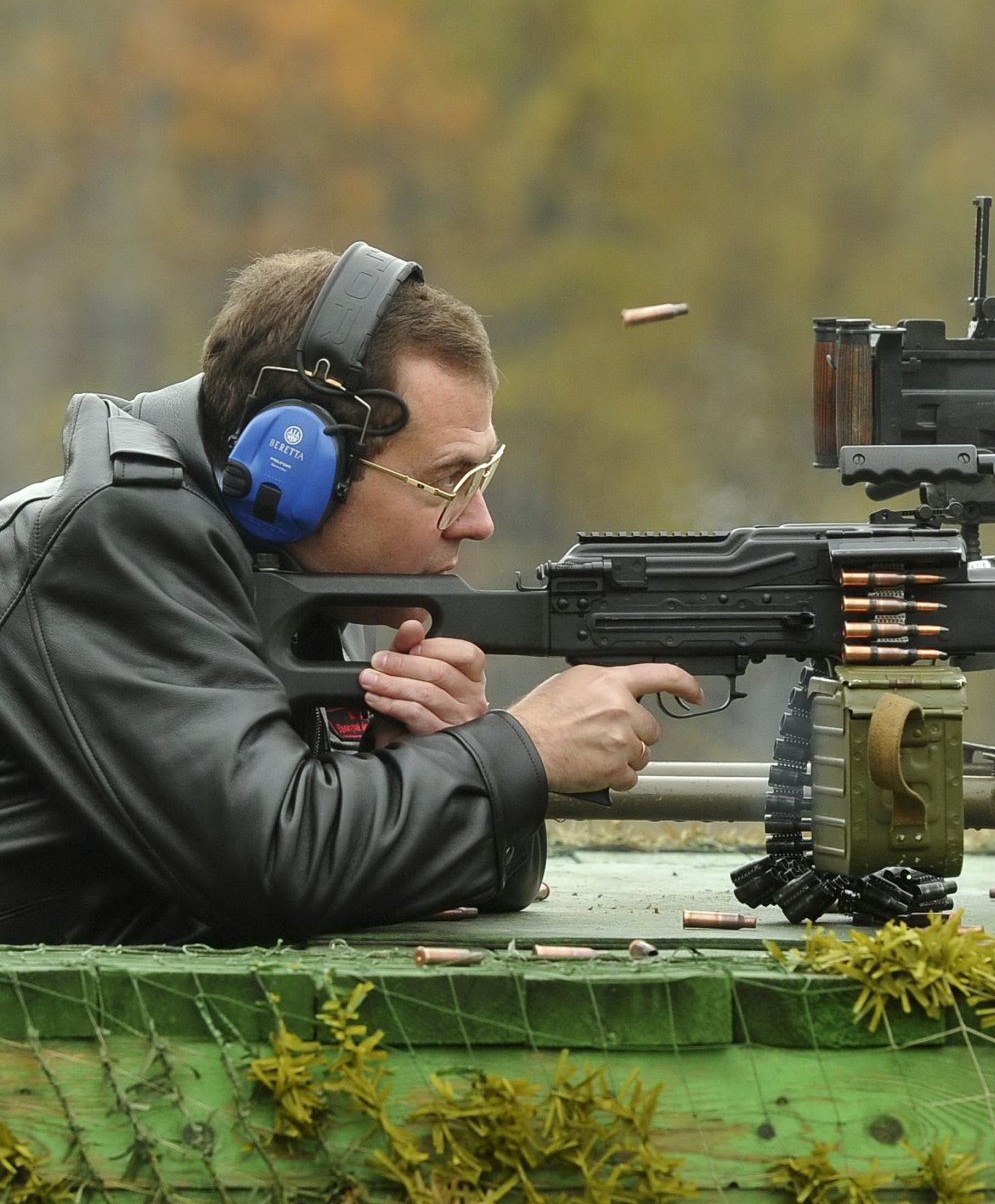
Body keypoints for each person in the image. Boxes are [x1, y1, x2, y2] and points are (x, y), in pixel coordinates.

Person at [0, 243, 699, 944]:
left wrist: (449, 748)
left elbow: (486, 882)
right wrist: (521, 749)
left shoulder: (301, 571)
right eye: (450, 480)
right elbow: (277, 863)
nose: (480, 521)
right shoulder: (117, 538)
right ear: (300, 465)